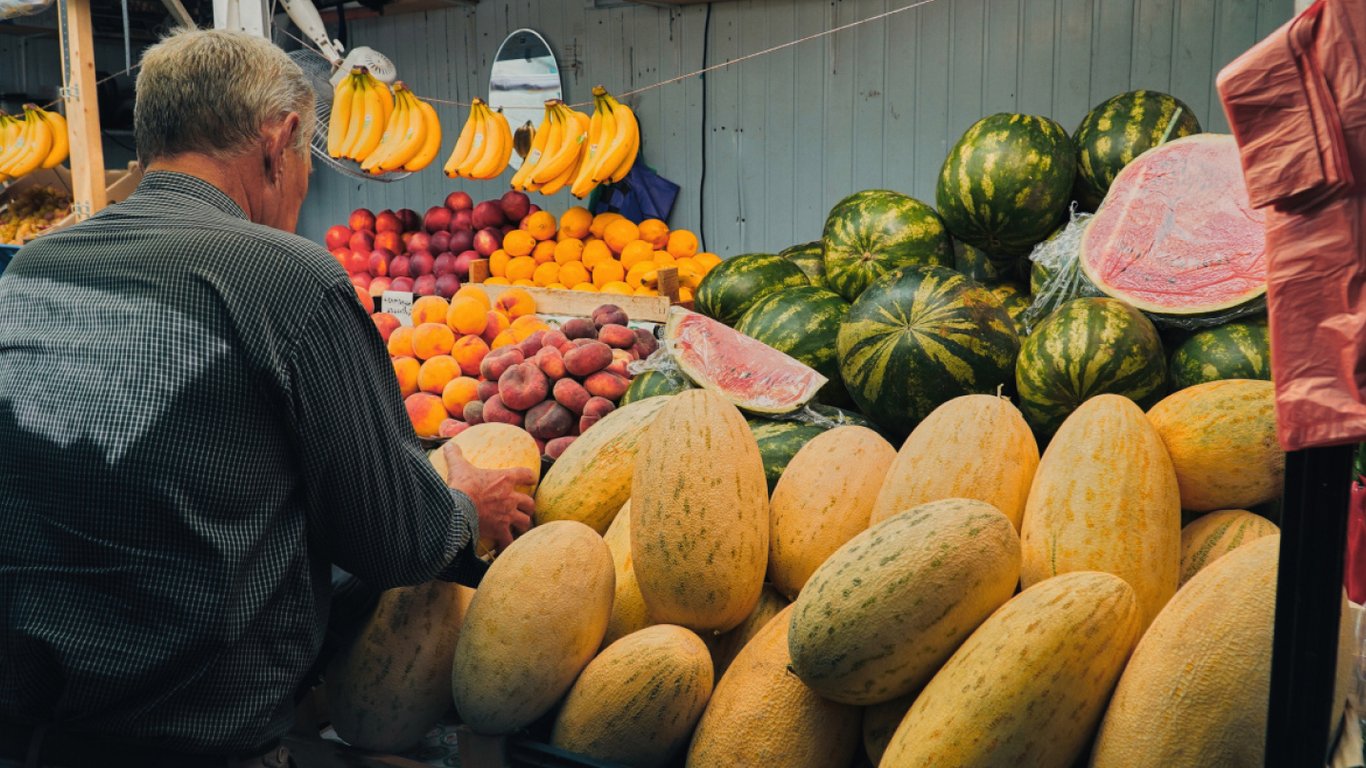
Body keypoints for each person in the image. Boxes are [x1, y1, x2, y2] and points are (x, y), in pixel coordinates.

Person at [0, 28, 533, 767]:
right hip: (205, 742)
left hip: (38, 737)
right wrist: (466, 507)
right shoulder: (289, 278)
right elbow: (394, 539)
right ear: (281, 141)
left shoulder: (31, 270)